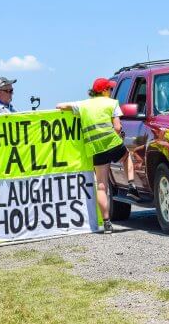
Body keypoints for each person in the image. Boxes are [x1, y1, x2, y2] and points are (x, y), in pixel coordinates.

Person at [56, 78, 136, 234]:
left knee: (101, 185)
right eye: (110, 89)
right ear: (105, 90)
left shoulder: (83, 105)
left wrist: (64, 106)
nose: (112, 92)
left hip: (95, 148)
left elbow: (60, 106)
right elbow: (118, 127)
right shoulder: (111, 103)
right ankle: (132, 185)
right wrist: (118, 137)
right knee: (127, 157)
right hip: (111, 143)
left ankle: (106, 223)